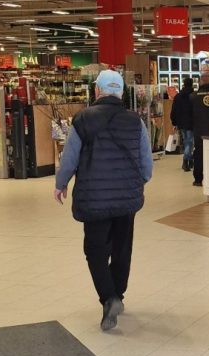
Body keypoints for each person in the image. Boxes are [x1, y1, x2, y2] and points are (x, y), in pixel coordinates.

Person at [54, 70, 153, 331]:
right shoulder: (135, 121)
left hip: (94, 198)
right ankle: (118, 295)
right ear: (121, 92)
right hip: (126, 200)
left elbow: (69, 159)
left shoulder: (83, 120)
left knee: (96, 251)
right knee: (122, 249)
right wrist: (137, 183)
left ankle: (109, 298)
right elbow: (146, 164)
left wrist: (61, 183)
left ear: (97, 91)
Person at [190, 74, 209, 187]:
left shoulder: (193, 96)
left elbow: (189, 115)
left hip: (199, 131)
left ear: (200, 82)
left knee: (198, 154)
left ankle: (198, 179)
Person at [171, 78, 195, 172]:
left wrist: (174, 122)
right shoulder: (193, 95)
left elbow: (174, 110)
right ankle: (186, 160)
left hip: (181, 123)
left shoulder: (178, 96)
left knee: (186, 141)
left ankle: (189, 160)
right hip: (191, 122)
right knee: (189, 142)